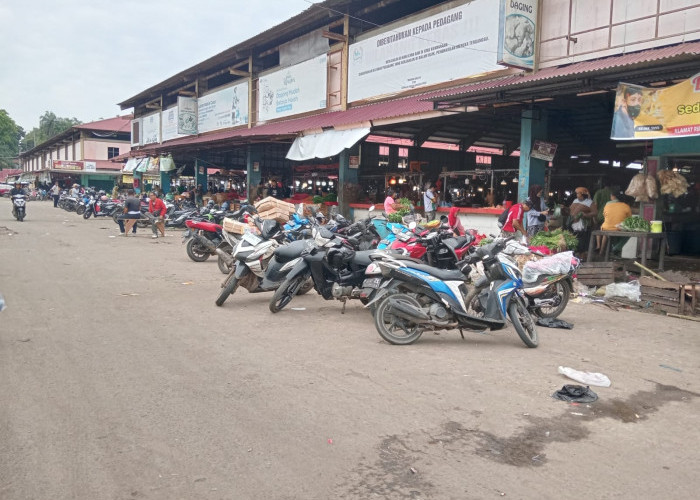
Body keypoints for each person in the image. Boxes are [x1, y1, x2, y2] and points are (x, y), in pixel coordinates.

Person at [600, 188, 632, 253]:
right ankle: (616, 248)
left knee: (615, 234)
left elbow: (604, 215)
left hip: (606, 228)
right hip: (619, 228)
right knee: (630, 232)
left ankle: (615, 250)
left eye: (611, 195)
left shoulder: (607, 205)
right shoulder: (626, 206)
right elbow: (629, 220)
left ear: (613, 196)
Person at [568, 187, 597, 259]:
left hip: (583, 226)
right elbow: (570, 210)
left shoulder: (590, 202)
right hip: (573, 224)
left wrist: (586, 215)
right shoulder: (575, 200)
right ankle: (574, 255)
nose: (576, 195)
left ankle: (582, 256)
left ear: (582, 194)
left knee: (582, 242)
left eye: (578, 193)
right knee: (574, 240)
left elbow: (595, 213)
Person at [592, 183, 612, 251]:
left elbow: (595, 205)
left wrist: (594, 216)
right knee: (605, 231)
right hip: (608, 216)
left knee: (598, 229)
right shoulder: (612, 193)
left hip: (599, 215)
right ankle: (602, 249)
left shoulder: (598, 192)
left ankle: (598, 245)